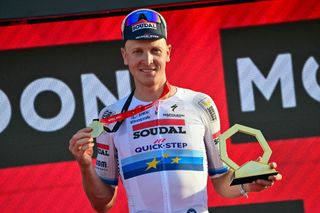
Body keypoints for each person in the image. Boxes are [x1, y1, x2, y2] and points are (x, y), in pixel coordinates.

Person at [69, 8, 282, 213]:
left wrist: (248, 181)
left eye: (155, 50)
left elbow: (221, 182)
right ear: (125, 56)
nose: (148, 60)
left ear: (168, 53)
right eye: (138, 52)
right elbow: (102, 204)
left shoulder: (200, 104)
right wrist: (85, 164)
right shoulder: (110, 117)